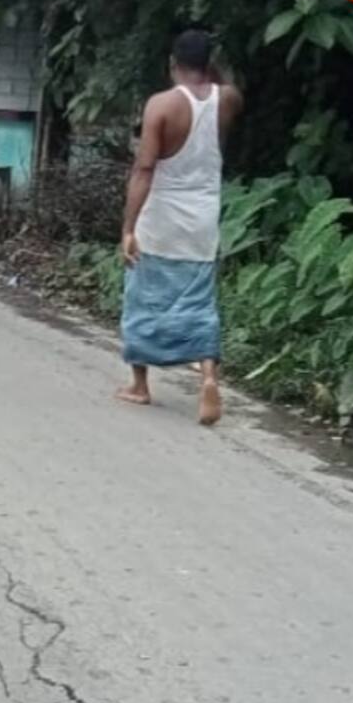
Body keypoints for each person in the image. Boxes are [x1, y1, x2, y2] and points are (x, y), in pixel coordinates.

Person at [117, 29, 243, 425]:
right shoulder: (229, 99)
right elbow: (223, 84)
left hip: (162, 214)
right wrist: (212, 66)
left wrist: (128, 227)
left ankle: (140, 385)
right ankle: (208, 376)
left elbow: (144, 168)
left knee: (143, 295)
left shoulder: (161, 105)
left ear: (172, 63)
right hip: (203, 214)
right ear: (209, 62)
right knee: (199, 298)